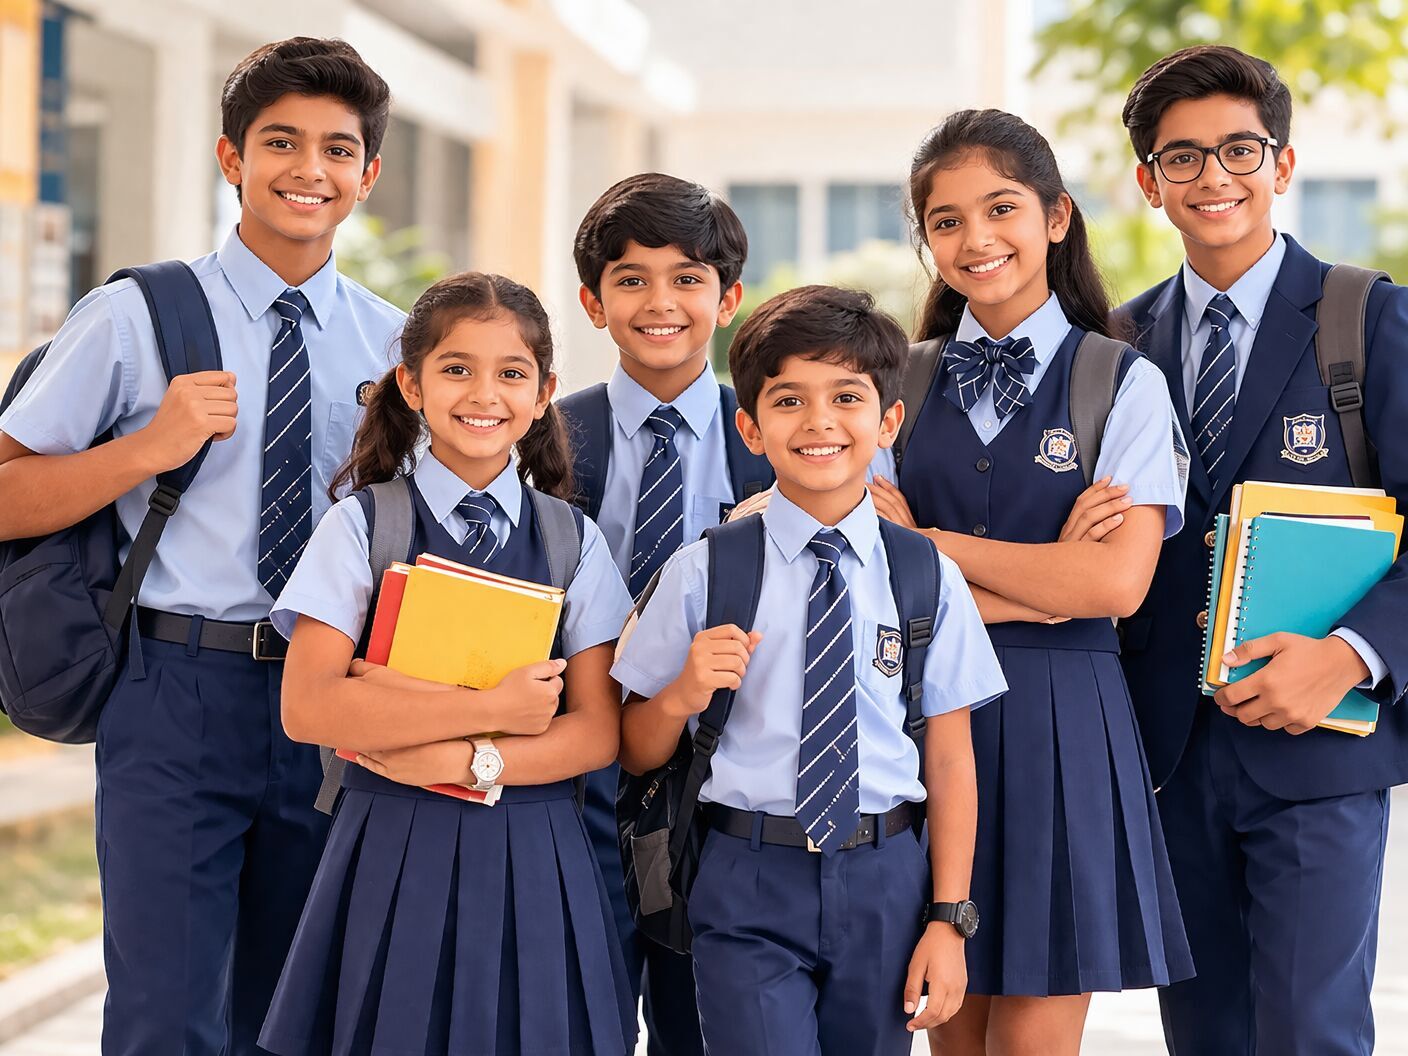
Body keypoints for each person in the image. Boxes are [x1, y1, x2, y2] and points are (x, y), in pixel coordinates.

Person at [0, 37, 403, 1055]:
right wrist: (150, 447)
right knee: (166, 1014)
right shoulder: (136, 316)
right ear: (231, 158)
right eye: (280, 142)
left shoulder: (399, 348)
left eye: (335, 149)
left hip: (333, 700)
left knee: (298, 1011)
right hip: (175, 686)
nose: (308, 169)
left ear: (369, 175)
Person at [866, 109, 1193, 1055]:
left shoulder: (1121, 383)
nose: (976, 240)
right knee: (948, 1037)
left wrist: (929, 546)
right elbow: (870, 581)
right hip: (918, 726)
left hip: (1065, 734)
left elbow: (1119, 587)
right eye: (946, 221)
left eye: (1001, 209)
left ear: (1057, 216)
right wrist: (1056, 574)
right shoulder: (890, 383)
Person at [615, 283, 1007, 1056]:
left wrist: (948, 917)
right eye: (788, 399)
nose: (820, 421)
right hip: (745, 871)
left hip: (887, 874)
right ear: (750, 429)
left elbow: (952, 756)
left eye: (847, 397)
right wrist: (684, 692)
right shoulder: (703, 572)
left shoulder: (925, 574)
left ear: (887, 421)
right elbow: (634, 747)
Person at [257, 272, 638, 1056]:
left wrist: (460, 756)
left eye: (511, 373)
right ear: (412, 382)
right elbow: (310, 708)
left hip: (536, 848)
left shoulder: (574, 541)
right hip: (390, 838)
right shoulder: (359, 527)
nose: (483, 394)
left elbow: (598, 733)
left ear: (544, 395)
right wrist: (495, 708)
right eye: (456, 368)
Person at [1117, 45, 1408, 1056]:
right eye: (1182, 158)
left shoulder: (1364, 319)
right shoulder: (1115, 348)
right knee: (1203, 1036)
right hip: (1166, 760)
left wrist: (1349, 656)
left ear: (1281, 165)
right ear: (1148, 184)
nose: (1214, 178)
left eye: (1239, 150)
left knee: (1311, 1035)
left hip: (1317, 750)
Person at [559, 170, 772, 1053]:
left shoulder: (776, 442)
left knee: (703, 1025)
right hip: (571, 777)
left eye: (688, 279)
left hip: (722, 791)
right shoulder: (545, 440)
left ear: (728, 301)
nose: (661, 302)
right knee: (574, 1014)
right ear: (592, 300)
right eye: (631, 279)